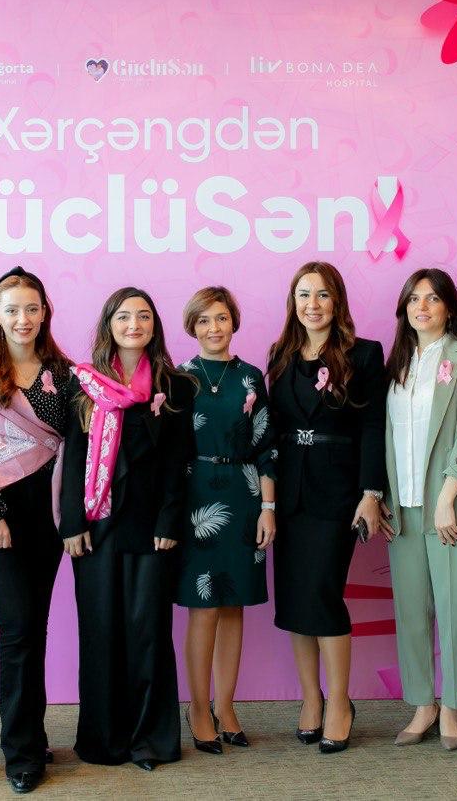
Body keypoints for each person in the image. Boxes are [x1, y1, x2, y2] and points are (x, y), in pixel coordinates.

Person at [59, 287, 195, 771]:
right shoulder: (84, 385)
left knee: (148, 633)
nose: (133, 324)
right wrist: (71, 523)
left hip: (151, 527)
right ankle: (104, 741)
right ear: (109, 325)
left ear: (154, 325)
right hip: (96, 527)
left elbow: (180, 461)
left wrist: (170, 520)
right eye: (123, 316)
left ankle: (149, 741)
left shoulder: (175, 386)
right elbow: (74, 459)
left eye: (143, 316)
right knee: (100, 632)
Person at [0, 268, 74, 794]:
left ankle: (32, 735)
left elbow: (73, 442)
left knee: (33, 628)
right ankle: (21, 755)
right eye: (12, 309)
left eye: (32, 308)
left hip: (47, 513)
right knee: (19, 627)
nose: (22, 318)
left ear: (44, 312)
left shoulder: (63, 372)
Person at [266, 261, 388, 755]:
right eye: (303, 294)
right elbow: (273, 429)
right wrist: (265, 499)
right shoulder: (280, 355)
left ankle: (340, 701)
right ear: (292, 302)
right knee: (295, 601)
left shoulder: (364, 354)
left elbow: (374, 427)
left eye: (322, 294)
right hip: (289, 493)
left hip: (338, 493)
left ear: (337, 301)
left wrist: (371, 493)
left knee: (322, 594)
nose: (312, 304)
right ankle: (311, 698)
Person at [383, 268, 457, 752]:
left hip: (450, 507)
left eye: (432, 299)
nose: (422, 307)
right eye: (414, 299)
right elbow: (390, 436)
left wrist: (448, 497)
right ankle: (422, 703)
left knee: (453, 608)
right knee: (411, 611)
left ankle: (453, 705)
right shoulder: (397, 364)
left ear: (449, 307)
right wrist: (384, 498)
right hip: (402, 507)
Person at [174, 287, 276, 753]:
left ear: (234, 321)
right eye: (204, 320)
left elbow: (267, 445)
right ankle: (198, 707)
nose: (214, 328)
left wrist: (268, 508)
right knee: (204, 608)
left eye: (221, 318)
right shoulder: (179, 378)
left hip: (245, 492)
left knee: (234, 605)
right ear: (191, 327)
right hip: (195, 499)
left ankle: (226, 705)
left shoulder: (252, 376)